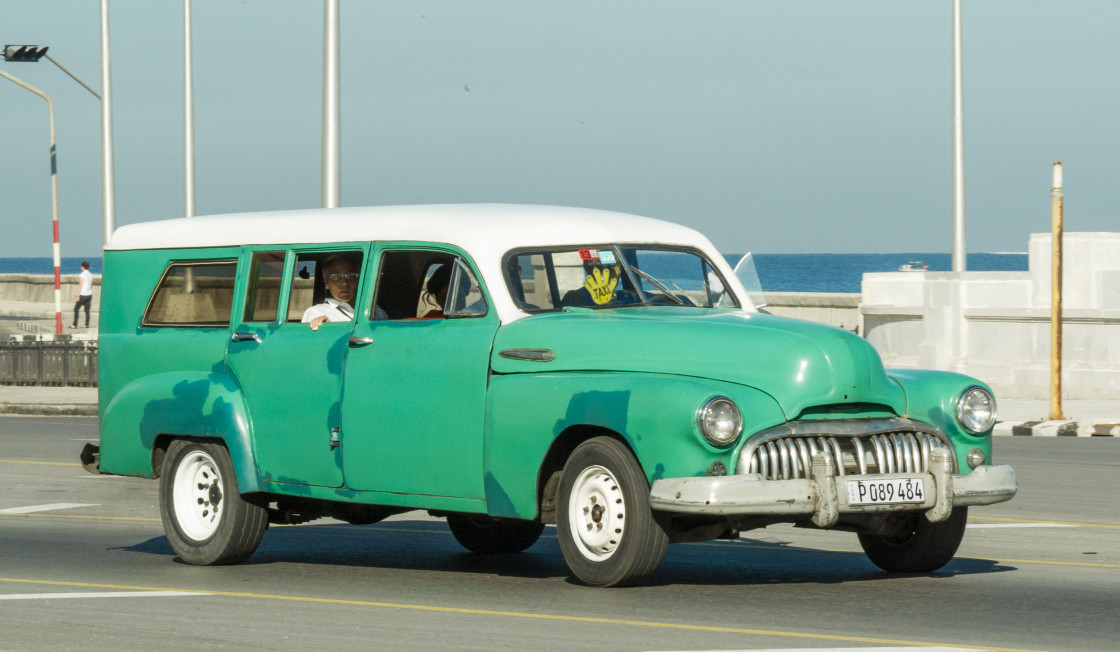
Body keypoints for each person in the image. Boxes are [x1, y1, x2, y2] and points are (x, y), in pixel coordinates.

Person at [302, 254, 360, 330]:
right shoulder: (317, 311)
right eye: (335, 277)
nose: (344, 283)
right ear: (326, 283)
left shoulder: (375, 310)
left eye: (351, 276)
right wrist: (327, 328)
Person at [71, 261, 94, 329]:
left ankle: (74, 324)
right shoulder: (91, 275)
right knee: (87, 310)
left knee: (76, 309)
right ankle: (86, 324)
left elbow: (80, 285)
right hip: (89, 295)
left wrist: (78, 295)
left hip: (83, 294)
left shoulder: (82, 274)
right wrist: (90, 300)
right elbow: (91, 286)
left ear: (82, 267)